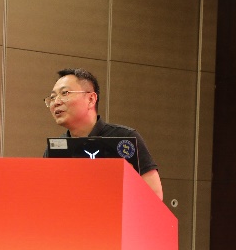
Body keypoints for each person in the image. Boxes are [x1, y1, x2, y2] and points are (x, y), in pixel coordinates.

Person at [44, 68, 163, 201]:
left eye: (65, 93)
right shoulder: (55, 149)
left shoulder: (125, 138)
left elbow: (154, 195)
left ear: (91, 99)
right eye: (52, 97)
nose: (56, 102)